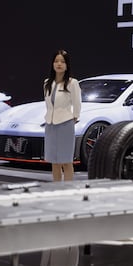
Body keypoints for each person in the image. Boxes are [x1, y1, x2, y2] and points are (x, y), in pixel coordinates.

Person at [43, 49, 81, 181]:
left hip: (65, 124)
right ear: (52, 64)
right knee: (54, 161)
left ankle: (68, 189)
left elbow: (77, 104)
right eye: (56, 61)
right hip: (50, 124)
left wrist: (73, 119)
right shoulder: (47, 83)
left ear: (67, 65)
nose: (59, 64)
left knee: (66, 161)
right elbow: (48, 104)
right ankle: (56, 188)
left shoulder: (72, 83)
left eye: (62, 62)